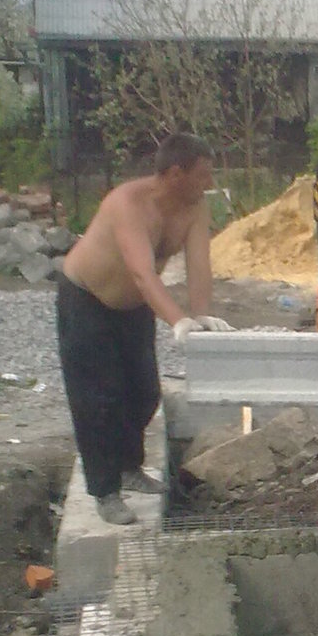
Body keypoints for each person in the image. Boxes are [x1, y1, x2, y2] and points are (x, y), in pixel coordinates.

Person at [57, 132, 234, 526]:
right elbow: (141, 272)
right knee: (98, 400)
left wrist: (201, 314)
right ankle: (105, 491)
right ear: (175, 173)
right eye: (203, 175)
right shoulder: (127, 204)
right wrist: (177, 320)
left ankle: (129, 467)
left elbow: (198, 263)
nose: (210, 183)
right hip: (86, 300)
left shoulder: (194, 206)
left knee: (143, 392)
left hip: (134, 308)